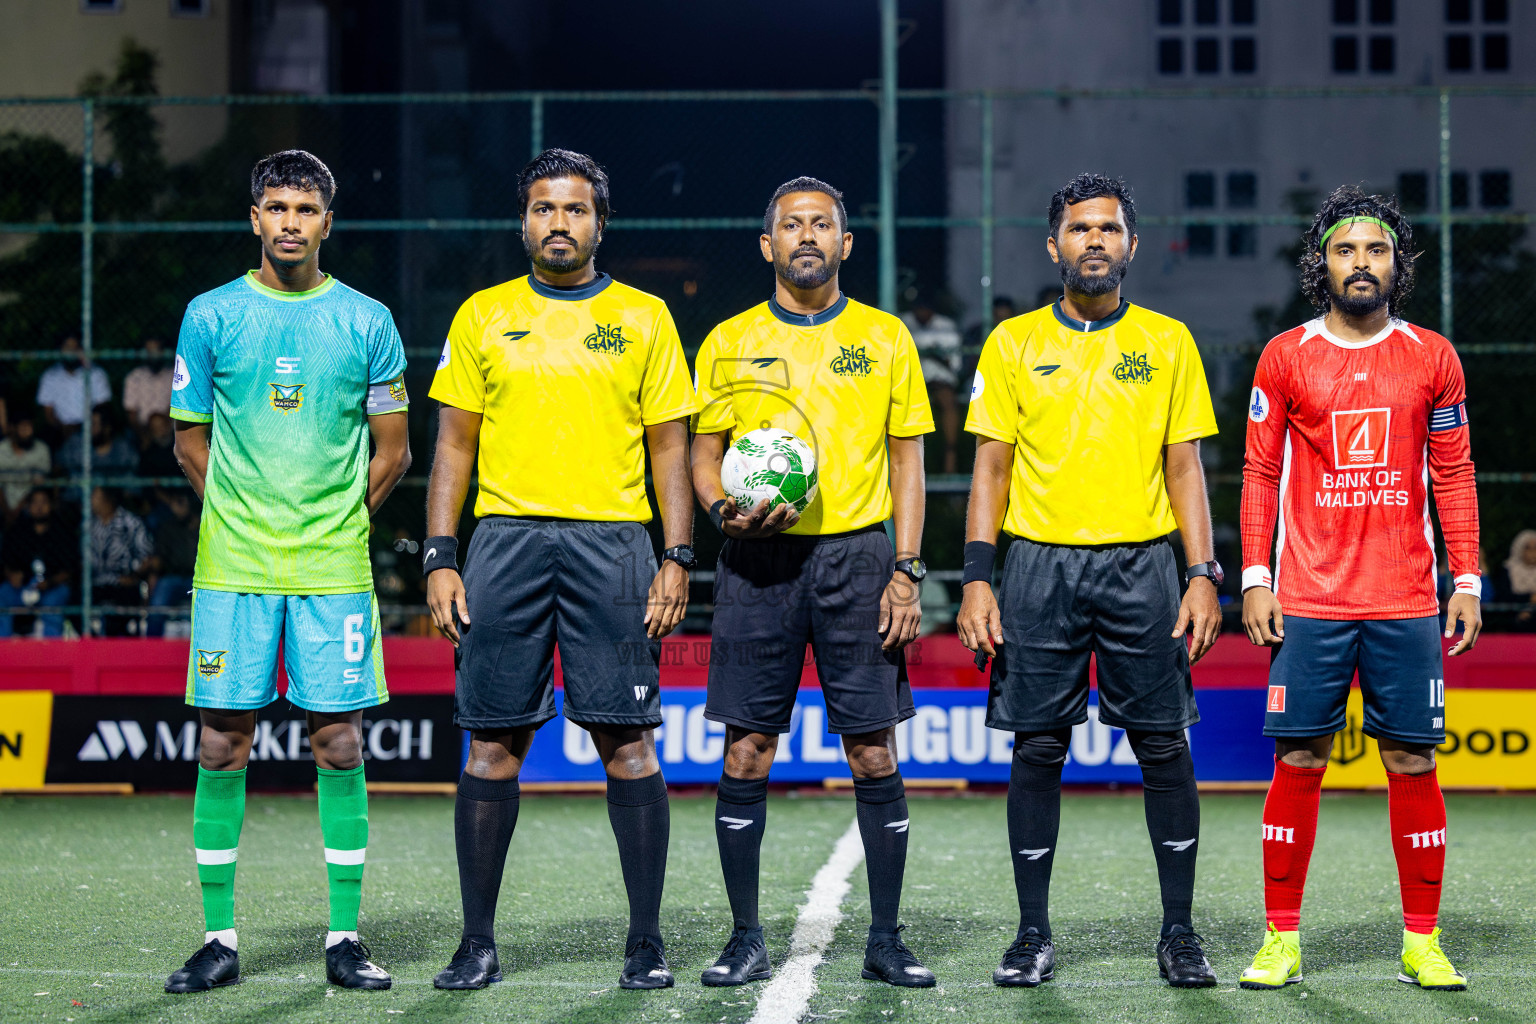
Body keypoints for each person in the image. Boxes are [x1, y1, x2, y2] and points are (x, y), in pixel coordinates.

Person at [424, 149, 697, 992]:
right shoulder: (482, 315)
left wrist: (678, 557)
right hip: (504, 542)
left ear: (600, 224)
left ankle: (645, 942)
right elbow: (454, 445)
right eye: (543, 208)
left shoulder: (646, 316)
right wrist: (440, 555)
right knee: (493, 742)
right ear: (523, 222)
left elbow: (670, 449)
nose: (558, 223)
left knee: (628, 740)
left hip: (614, 545)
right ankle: (477, 942)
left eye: (575, 210)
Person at [959, 173, 1222, 989]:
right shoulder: (1010, 345)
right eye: (1079, 229)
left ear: (1131, 245)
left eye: (1109, 228)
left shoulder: (1170, 341)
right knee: (1038, 746)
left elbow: (1186, 468)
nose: (1095, 241)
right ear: (1054, 245)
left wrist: (1203, 572)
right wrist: (976, 578)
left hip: (1143, 564)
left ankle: (1178, 933)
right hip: (1037, 565)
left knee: (1162, 746)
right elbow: (990, 470)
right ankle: (1032, 932)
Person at [163, 150, 411, 994]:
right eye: (276, 207)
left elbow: (395, 450)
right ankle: (219, 938)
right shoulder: (210, 314)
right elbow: (187, 435)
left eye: (306, 208)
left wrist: (339, 523)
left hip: (333, 569)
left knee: (339, 742)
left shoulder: (368, 320)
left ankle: (344, 937)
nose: (291, 222)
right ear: (255, 219)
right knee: (222, 742)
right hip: (234, 565)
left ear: (328, 222)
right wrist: (236, 508)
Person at [691, 176, 936, 989]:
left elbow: (909, 460)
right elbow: (703, 449)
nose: (806, 236)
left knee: (871, 750)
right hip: (758, 560)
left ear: (845, 243)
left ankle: (887, 939)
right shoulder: (727, 338)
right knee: (749, 748)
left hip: (859, 560)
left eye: (821, 225)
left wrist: (906, 569)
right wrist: (721, 507)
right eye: (791, 225)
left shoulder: (885, 336)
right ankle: (745, 936)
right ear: (767, 245)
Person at [1237, 186, 1482, 993]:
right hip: (1308, 600)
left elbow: (1452, 473)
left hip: (1407, 598)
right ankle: (1281, 938)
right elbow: (1260, 473)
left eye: (1376, 250)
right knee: (1300, 756)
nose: (1362, 263)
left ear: (1397, 264)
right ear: (1322, 264)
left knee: (1413, 759)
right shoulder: (1285, 356)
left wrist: (1468, 576)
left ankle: (1422, 939)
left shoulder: (1432, 357)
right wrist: (1256, 577)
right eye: (1346, 250)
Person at [0, 488, 76, 637]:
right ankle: (3, 649)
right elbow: (5, 562)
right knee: (2, 595)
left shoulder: (62, 531)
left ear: (52, 505)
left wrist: (50, 582)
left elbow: (70, 569)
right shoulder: (18, 530)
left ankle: (51, 653)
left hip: (51, 588)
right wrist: (12, 575)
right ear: (28, 506)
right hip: (21, 588)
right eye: (35, 503)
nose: (39, 507)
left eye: (44, 502)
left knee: (53, 604)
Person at [900, 293, 962, 474]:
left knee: (948, 400)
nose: (921, 312)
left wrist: (934, 354)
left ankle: (950, 463)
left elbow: (955, 366)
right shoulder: (903, 322)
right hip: (911, 380)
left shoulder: (946, 326)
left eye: (925, 308)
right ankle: (907, 466)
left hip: (940, 380)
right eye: (918, 308)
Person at [88, 486, 151, 636]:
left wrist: (134, 576)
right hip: (96, 582)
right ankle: (93, 645)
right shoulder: (90, 525)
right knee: (72, 600)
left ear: (107, 500)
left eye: (95, 496)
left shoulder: (130, 523)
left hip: (124, 582)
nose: (91, 500)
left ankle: (117, 650)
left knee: (117, 613)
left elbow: (146, 556)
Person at [36, 334, 111, 439]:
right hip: (61, 430)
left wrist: (87, 427)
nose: (71, 351)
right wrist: (61, 428)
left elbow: (102, 407)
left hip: (91, 429)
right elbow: (48, 413)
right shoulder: (50, 375)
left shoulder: (96, 373)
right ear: (60, 350)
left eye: (75, 347)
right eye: (67, 347)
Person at [146, 490, 198, 637]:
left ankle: (206, 648)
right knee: (157, 606)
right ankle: (152, 648)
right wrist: (153, 569)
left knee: (208, 607)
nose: (178, 507)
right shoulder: (167, 528)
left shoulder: (201, 524)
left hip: (196, 579)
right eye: (176, 503)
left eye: (182, 502)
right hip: (172, 578)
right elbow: (158, 560)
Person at [55, 408, 140, 480]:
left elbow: (131, 482)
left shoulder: (123, 451)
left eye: (94, 424)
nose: (89, 429)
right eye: (88, 424)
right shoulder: (75, 446)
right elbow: (58, 468)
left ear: (107, 428)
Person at [0, 416, 52, 523]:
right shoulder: (1, 449)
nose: (27, 432)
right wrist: (7, 510)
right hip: (3, 503)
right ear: (12, 429)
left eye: (29, 427)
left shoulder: (41, 449)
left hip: (29, 503)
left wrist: (18, 509)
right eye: (23, 428)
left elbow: (38, 484)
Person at [123, 336, 175, 431]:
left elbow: (175, 408)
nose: (153, 356)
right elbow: (131, 413)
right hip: (142, 430)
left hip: (168, 429)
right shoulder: (134, 377)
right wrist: (143, 434)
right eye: (149, 352)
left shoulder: (173, 375)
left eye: (156, 351)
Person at [1501, 529, 1536, 625]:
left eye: (1535, 548)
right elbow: (1503, 597)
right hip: (1511, 620)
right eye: (1528, 548)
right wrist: (1529, 597)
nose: (1533, 552)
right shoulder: (1508, 570)